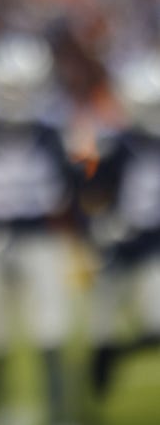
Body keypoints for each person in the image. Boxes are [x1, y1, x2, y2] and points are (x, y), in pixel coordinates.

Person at [0, 32, 80, 425]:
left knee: (51, 324)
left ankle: (61, 408)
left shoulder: (51, 133)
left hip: (40, 237)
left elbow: (67, 188)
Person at [84, 50, 160, 402]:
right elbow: (89, 196)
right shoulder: (115, 146)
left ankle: (116, 358)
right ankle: (91, 399)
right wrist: (101, 228)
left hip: (152, 250)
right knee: (101, 331)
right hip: (115, 252)